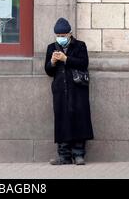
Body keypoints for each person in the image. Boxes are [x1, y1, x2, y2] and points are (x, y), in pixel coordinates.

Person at [44, 17, 94, 165]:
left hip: (78, 89)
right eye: (58, 36)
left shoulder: (80, 46)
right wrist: (52, 62)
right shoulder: (51, 48)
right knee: (62, 121)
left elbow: (84, 63)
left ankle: (79, 154)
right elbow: (48, 71)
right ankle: (64, 156)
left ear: (70, 34)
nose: (61, 38)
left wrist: (66, 59)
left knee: (80, 119)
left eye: (63, 36)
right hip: (60, 90)